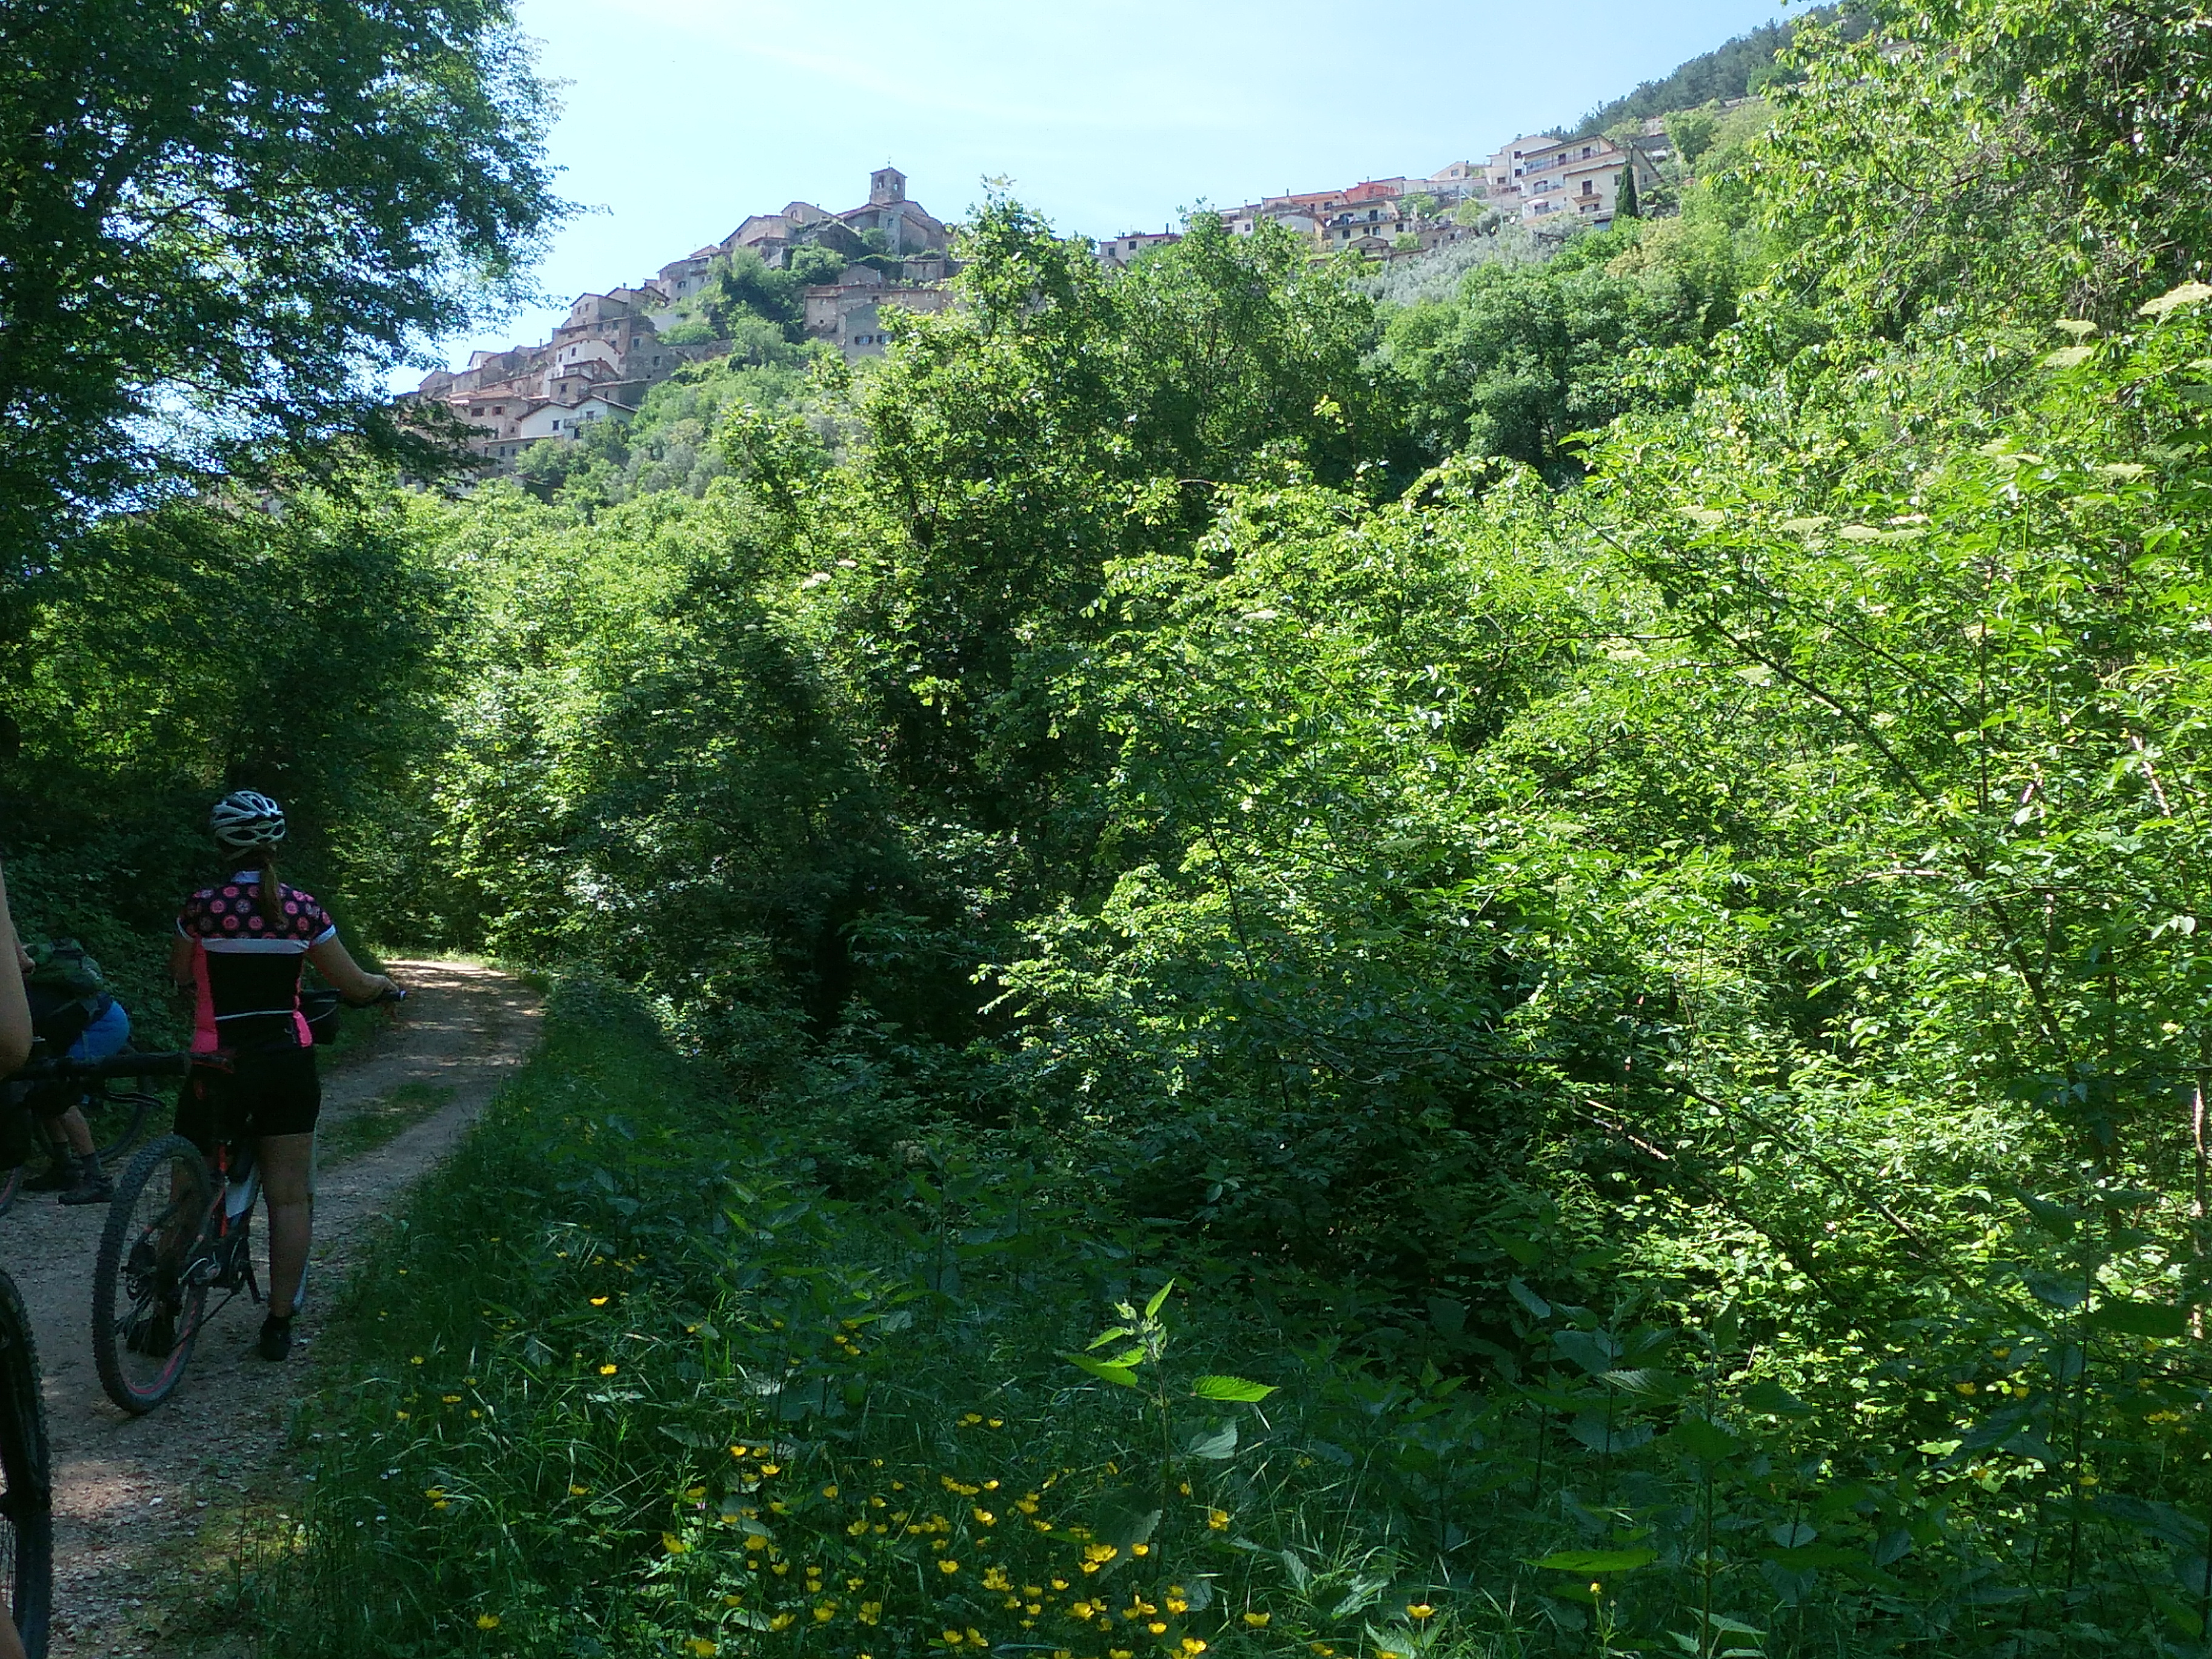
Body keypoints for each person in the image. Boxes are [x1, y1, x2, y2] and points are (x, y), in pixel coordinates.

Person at [169, 790, 398, 1362]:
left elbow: (180, 976)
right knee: (289, 1197)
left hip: (216, 1060)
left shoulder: (200, 908)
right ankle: (277, 1325)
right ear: (276, 845)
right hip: (284, 1062)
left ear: (221, 844)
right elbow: (353, 985)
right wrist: (386, 988)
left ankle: (163, 1303)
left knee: (188, 1189)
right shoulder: (302, 910)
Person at [18, 936, 128, 1204]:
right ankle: (64, 1168)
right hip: (70, 1024)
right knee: (41, 1085)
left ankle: (98, 1180)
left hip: (101, 1025)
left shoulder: (18, 1002)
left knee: (61, 1097)